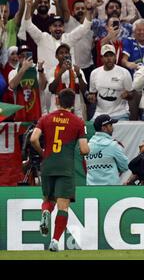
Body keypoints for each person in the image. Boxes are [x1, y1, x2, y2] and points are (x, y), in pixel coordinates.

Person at [30, 88, 89, 252]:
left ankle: (45, 213)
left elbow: (33, 138)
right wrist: (87, 148)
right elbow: (84, 150)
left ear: (57, 101)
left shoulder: (45, 118)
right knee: (63, 207)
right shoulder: (78, 122)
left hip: (48, 164)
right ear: (73, 103)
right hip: (66, 168)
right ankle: (55, 241)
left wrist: (42, 152)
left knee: (48, 200)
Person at [86, 114, 129, 186]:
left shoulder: (87, 147)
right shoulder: (113, 145)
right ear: (104, 128)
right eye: (111, 125)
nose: (113, 127)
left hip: (91, 191)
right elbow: (125, 166)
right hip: (111, 191)